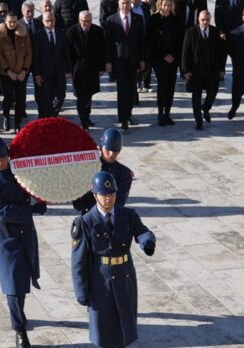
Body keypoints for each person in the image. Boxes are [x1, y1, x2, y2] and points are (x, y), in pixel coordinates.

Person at [70, 171, 156, 348]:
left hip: (124, 276)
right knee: (104, 331)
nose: (108, 198)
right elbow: (78, 261)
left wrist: (147, 240)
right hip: (100, 281)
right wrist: (81, 291)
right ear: (95, 195)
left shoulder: (128, 215)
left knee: (123, 327)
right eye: (103, 194)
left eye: (111, 194)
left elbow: (141, 231)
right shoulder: (85, 222)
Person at [0, 136, 45, 348]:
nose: (2, 162)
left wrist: (41, 198)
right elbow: (3, 212)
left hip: (26, 234)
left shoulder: (20, 172)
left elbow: (34, 183)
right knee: (13, 284)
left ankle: (18, 315)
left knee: (23, 281)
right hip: (6, 237)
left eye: (4, 157)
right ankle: (19, 330)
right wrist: (31, 210)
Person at [181, 10, 225, 130]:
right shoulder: (190, 32)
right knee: (196, 96)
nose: (205, 22)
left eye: (207, 20)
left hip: (212, 70)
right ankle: (198, 120)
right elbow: (185, 52)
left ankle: (205, 108)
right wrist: (185, 70)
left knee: (213, 93)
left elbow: (221, 52)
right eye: (203, 20)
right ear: (198, 20)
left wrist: (222, 68)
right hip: (195, 71)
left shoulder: (215, 32)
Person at [104, 0, 145, 131]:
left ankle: (129, 114)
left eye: (127, 3)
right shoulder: (111, 20)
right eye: (122, 3)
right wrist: (108, 61)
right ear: (118, 4)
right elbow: (108, 43)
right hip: (119, 61)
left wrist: (142, 59)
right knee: (122, 91)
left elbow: (141, 40)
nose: (125, 6)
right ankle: (123, 119)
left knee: (131, 90)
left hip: (133, 61)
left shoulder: (138, 19)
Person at [72, 128, 133, 213]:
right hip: (89, 216)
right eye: (108, 149)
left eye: (115, 151)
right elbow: (78, 204)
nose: (111, 154)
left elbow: (119, 203)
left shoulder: (124, 173)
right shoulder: (88, 168)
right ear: (100, 148)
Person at [64, 10, 104, 130]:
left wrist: (101, 68)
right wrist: (68, 70)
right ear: (79, 20)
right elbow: (67, 53)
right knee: (81, 96)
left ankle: (87, 117)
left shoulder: (97, 31)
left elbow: (102, 50)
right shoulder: (71, 31)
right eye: (84, 22)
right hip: (78, 68)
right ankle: (83, 120)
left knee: (89, 94)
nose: (86, 24)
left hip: (92, 67)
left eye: (89, 21)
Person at [0, 11, 31, 132]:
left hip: (20, 72)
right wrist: (8, 71)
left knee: (20, 98)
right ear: (5, 21)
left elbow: (29, 52)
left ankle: (18, 122)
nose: (12, 24)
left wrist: (24, 70)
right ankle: (6, 117)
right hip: (6, 73)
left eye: (15, 21)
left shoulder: (23, 32)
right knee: (8, 97)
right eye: (10, 21)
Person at [147, 0, 182, 126]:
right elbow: (150, 42)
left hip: (173, 59)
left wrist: (174, 55)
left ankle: (168, 113)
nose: (167, 7)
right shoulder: (153, 20)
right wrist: (163, 55)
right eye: (164, 5)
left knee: (171, 85)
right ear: (160, 5)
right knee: (163, 83)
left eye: (169, 5)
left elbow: (180, 40)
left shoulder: (177, 19)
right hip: (158, 58)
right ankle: (160, 114)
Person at [32, 12, 68, 118]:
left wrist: (69, 70)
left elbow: (66, 53)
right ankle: (47, 118)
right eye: (47, 20)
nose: (50, 22)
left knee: (61, 95)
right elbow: (36, 56)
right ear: (43, 21)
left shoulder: (61, 33)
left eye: (52, 20)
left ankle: (52, 115)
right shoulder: (38, 35)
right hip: (44, 73)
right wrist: (37, 74)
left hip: (59, 72)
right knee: (46, 99)